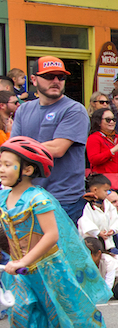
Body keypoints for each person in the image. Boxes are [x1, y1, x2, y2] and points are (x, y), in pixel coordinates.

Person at [0, 137, 115, 328]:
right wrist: (17, 263)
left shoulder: (38, 198)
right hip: (20, 272)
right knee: (22, 314)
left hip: (50, 270)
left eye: (8, 164)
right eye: (1, 163)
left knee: (71, 315)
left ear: (28, 170)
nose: (1, 169)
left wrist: (25, 260)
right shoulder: (2, 198)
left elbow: (51, 235)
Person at [10, 56, 89, 223]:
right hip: (29, 196)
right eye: (48, 76)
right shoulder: (23, 110)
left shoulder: (74, 109)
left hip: (63, 198)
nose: (56, 81)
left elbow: (57, 149)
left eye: (61, 77)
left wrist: (22, 148)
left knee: (58, 249)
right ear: (33, 79)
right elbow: (12, 151)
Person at [86, 108, 118, 192]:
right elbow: (93, 159)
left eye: (113, 119)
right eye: (108, 120)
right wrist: (113, 150)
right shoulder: (94, 138)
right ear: (99, 121)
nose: (112, 122)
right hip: (104, 185)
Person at [78, 173, 118, 251]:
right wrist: (97, 232)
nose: (107, 193)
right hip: (92, 242)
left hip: (107, 242)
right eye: (105, 190)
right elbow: (85, 222)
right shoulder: (86, 205)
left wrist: (113, 229)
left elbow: (114, 217)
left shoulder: (108, 204)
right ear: (95, 190)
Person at [85, 236, 118, 300]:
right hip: (104, 278)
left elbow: (108, 284)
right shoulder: (84, 262)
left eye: (88, 255)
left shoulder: (108, 261)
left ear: (98, 253)